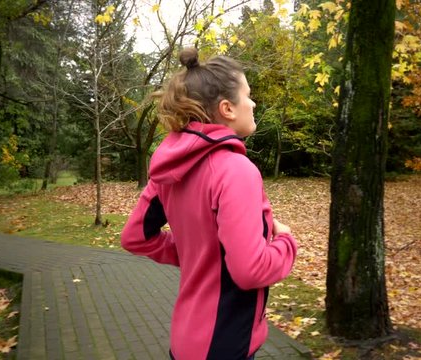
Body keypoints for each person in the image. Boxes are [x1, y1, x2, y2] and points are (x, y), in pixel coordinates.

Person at [120, 47, 298, 360]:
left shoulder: (168, 169)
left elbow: (136, 237)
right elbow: (250, 271)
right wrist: (286, 242)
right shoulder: (236, 170)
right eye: (248, 95)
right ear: (228, 108)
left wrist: (197, 252)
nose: (253, 103)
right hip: (224, 345)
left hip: (185, 342)